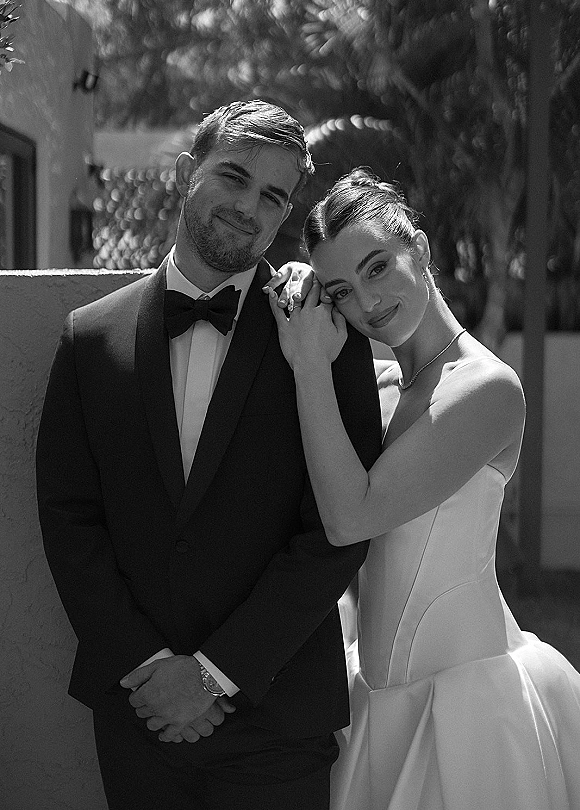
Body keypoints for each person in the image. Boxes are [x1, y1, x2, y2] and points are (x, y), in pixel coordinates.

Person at [35, 104, 383, 810]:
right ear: (188, 172)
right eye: (234, 176)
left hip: (277, 720)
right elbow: (70, 521)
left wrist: (217, 672)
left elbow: (339, 530)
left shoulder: (322, 333)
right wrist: (151, 668)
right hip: (139, 717)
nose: (250, 207)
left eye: (274, 196)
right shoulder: (88, 340)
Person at [265, 167, 580, 810]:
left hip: (467, 709)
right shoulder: (375, 386)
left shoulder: (486, 389)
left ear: (421, 247)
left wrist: (308, 366)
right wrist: (300, 293)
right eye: (342, 291)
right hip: (372, 702)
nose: (368, 302)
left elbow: (352, 516)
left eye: (378, 266)